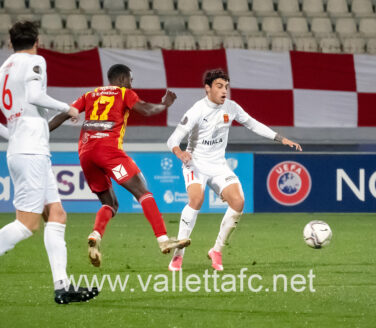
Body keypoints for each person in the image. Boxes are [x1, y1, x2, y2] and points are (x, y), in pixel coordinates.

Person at [49, 64, 191, 268]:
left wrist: (40, 132)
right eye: (131, 80)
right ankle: (163, 239)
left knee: (110, 204)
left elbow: (63, 114)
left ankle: (95, 235)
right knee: (142, 190)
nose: (131, 84)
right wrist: (164, 104)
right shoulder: (124, 93)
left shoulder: (90, 95)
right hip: (108, 152)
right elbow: (147, 110)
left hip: (86, 153)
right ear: (123, 79)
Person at [0, 21, 98, 304]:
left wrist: (14, 137)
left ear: (10, 43)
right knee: (26, 225)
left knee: (56, 214)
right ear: (37, 40)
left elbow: (12, 115)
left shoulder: (4, 70)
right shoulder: (34, 60)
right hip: (31, 153)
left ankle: (62, 286)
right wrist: (66, 108)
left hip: (25, 149)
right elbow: (34, 96)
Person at [167, 69, 302, 272]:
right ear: (208, 88)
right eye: (219, 87)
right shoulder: (197, 110)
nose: (224, 91)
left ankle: (217, 251)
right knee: (196, 199)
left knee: (238, 201)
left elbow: (253, 124)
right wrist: (180, 152)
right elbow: (172, 140)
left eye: (226, 87)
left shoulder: (231, 107)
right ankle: (178, 255)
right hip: (196, 163)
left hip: (219, 165)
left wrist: (280, 138)